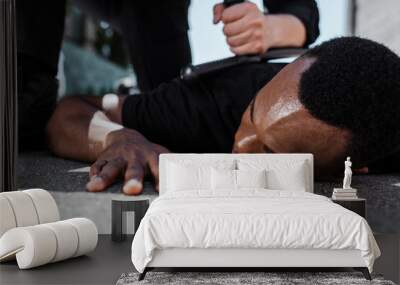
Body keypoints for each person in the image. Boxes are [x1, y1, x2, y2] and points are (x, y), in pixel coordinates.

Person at [46, 37, 400, 195]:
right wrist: (117, 137)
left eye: (271, 153)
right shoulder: (211, 101)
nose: (240, 147)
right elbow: (69, 111)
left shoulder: (382, 139)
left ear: (353, 169)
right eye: (252, 113)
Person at [17, 0, 319, 151]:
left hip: (154, 8)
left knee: (173, 122)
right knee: (22, 112)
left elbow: (302, 14)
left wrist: (270, 28)